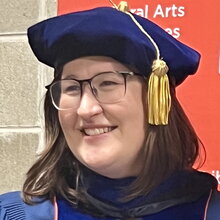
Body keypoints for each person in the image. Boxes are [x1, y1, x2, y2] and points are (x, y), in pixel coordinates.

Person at [0, 1, 219, 219]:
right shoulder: (19, 214)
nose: (85, 109)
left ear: (157, 99)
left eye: (107, 84)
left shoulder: (209, 212)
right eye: (72, 88)